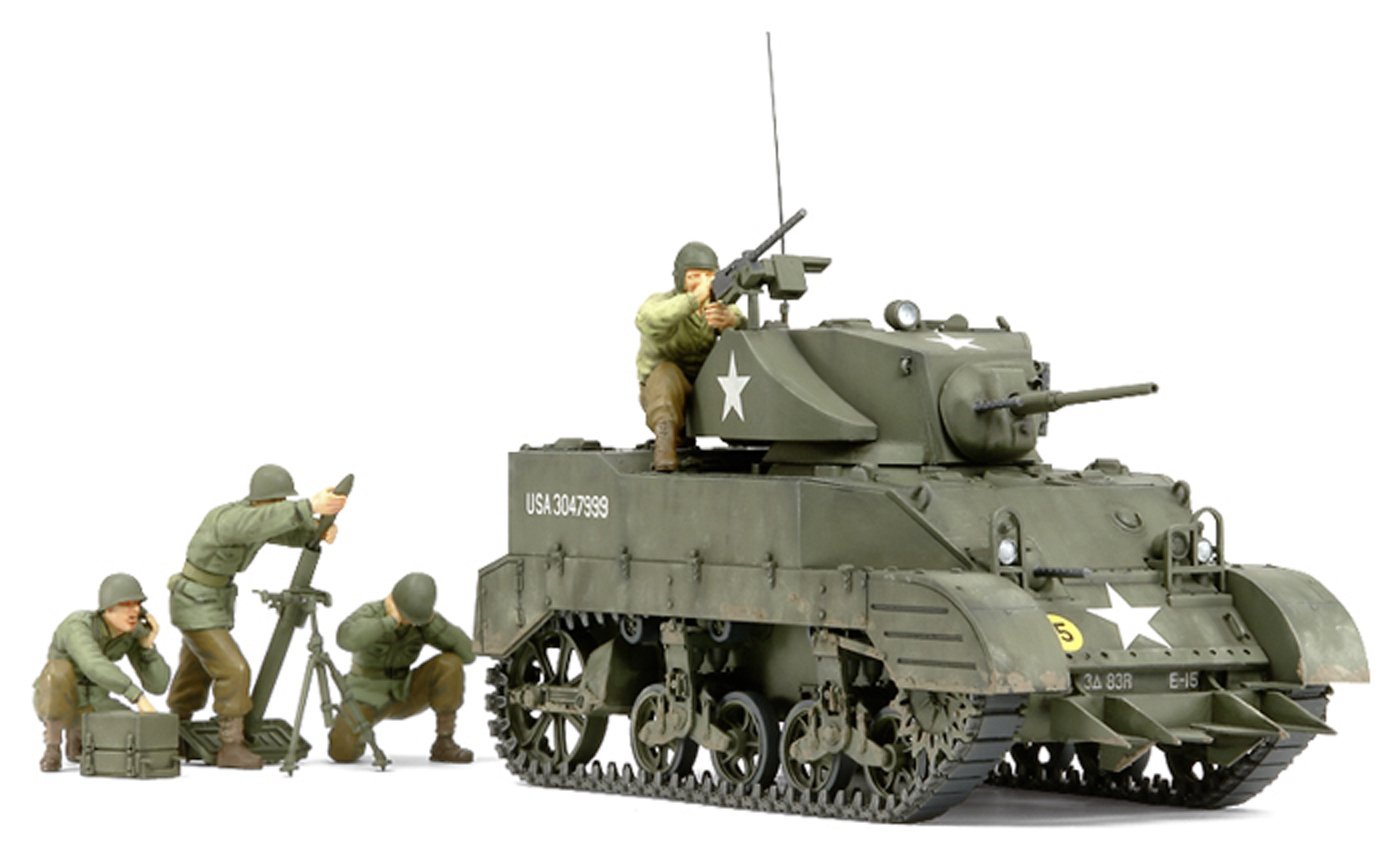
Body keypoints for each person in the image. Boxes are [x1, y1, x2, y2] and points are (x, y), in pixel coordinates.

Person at [165, 463, 347, 769]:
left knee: (196, 667)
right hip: (194, 602)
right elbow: (262, 522)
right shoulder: (232, 519)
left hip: (212, 601)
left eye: (284, 501)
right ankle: (231, 745)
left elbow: (279, 531)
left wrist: (314, 530)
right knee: (233, 669)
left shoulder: (257, 520)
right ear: (262, 499)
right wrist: (307, 506)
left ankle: (175, 728)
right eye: (278, 500)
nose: (281, 505)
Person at [327, 572, 476, 764]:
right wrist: (389, 622)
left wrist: (433, 621)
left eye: (413, 619)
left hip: (403, 692)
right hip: (366, 695)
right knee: (342, 752)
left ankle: (444, 743)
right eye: (406, 616)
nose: (409, 623)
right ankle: (359, 731)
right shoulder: (370, 613)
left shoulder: (422, 623)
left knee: (450, 664)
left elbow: (468, 655)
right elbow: (345, 640)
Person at [33, 572, 170, 772]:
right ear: (108, 608)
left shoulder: (129, 634)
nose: (134, 610)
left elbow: (158, 685)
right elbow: (93, 664)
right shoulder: (77, 626)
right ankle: (52, 746)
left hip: (95, 699)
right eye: (126, 604)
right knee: (57, 672)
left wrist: (147, 647)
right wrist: (137, 696)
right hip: (61, 697)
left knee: (135, 729)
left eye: (138, 604)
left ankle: (79, 737)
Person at [635, 241, 745, 472]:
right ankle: (666, 444)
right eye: (694, 277)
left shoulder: (718, 307)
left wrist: (731, 322)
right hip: (663, 392)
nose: (703, 283)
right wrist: (693, 299)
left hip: (706, 388)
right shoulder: (663, 303)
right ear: (680, 278)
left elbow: (743, 325)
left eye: (709, 276)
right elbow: (649, 320)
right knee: (666, 375)